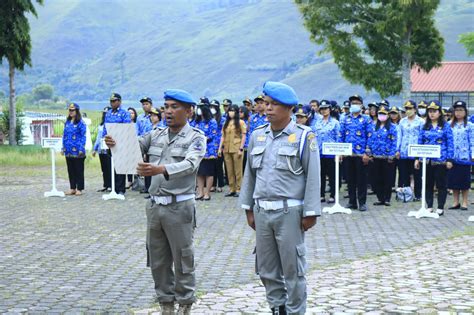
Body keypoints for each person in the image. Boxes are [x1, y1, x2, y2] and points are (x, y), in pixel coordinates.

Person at [106, 89, 205, 315]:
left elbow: (191, 164)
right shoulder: (156, 134)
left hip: (180, 207)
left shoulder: (196, 137)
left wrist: (161, 169)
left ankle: (185, 304)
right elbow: (134, 147)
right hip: (154, 206)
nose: (168, 111)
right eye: (166, 106)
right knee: (158, 260)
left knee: (182, 258)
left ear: (189, 111)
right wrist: (115, 142)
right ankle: (166, 304)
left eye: (174, 107)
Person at [240, 81, 320, 314]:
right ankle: (278, 308)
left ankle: (295, 311)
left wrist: (311, 212)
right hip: (262, 211)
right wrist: (248, 208)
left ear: (289, 109)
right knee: (266, 269)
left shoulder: (304, 136)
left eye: (274, 104)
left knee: (293, 269)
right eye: (266, 103)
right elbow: (250, 175)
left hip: (290, 212)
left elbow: (313, 176)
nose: (268, 108)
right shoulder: (257, 135)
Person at [415, 100, 454, 216]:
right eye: (430, 111)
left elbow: (450, 143)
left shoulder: (446, 126)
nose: (432, 114)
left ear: (440, 112)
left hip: (441, 161)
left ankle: (440, 207)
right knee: (428, 184)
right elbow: (419, 142)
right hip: (426, 161)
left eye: (434, 111)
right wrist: (417, 158)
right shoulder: (424, 126)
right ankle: (429, 206)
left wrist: (449, 159)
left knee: (441, 184)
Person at [338, 94, 371, 211]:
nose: (355, 105)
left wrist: (367, 153)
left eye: (357, 103)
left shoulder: (366, 119)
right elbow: (340, 135)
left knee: (361, 179)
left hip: (361, 154)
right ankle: (352, 201)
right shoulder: (345, 118)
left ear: (361, 105)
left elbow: (369, 136)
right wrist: (340, 152)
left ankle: (362, 202)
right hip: (348, 154)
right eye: (353, 103)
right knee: (350, 179)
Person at [367, 105, 398, 206]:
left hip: (387, 158)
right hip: (375, 156)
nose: (382, 116)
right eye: (380, 114)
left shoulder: (392, 127)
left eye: (384, 114)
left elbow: (394, 142)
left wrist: (391, 155)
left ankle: (387, 198)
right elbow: (370, 140)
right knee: (377, 178)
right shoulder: (373, 126)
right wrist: (369, 153)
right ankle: (380, 198)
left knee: (387, 179)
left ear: (388, 115)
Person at [102, 93, 131, 195]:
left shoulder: (124, 113)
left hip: (120, 143)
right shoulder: (108, 113)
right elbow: (105, 127)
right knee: (111, 166)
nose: (112, 103)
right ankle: (113, 187)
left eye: (114, 101)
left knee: (120, 167)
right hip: (110, 143)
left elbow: (126, 127)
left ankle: (121, 189)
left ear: (119, 101)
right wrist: (104, 138)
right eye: (111, 101)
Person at [448, 101, 474, 210]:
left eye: (460, 110)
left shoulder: (470, 125)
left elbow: (472, 141)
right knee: (453, 180)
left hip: (465, 156)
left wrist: (473, 154)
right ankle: (455, 202)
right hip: (453, 156)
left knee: (464, 181)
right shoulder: (449, 124)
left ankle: (464, 202)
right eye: (456, 110)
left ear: (465, 111)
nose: (458, 113)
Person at [396, 100, 424, 201]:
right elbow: (399, 136)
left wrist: (420, 154)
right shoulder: (402, 121)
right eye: (406, 109)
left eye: (410, 108)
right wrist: (397, 149)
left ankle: (418, 195)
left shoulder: (421, 121)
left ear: (415, 109)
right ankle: (406, 195)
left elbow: (422, 137)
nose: (408, 110)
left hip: (416, 152)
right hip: (404, 151)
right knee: (404, 174)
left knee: (417, 175)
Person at [313, 100, 340, 204]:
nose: (324, 111)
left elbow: (338, 137)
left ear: (330, 110)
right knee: (321, 175)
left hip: (331, 152)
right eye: (322, 109)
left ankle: (333, 195)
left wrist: (338, 153)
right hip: (319, 152)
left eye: (326, 109)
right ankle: (321, 195)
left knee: (332, 175)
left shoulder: (335, 122)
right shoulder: (317, 123)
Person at [218, 104, 247, 197]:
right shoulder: (226, 123)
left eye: (233, 110)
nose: (231, 112)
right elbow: (223, 136)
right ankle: (232, 189)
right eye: (230, 110)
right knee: (229, 170)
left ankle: (239, 189)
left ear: (237, 112)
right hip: (226, 149)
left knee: (238, 170)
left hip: (236, 148)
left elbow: (244, 136)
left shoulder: (241, 122)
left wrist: (241, 148)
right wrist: (220, 148)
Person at [62, 103, 87, 196]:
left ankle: (79, 188)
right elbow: (64, 136)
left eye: (72, 110)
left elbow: (83, 137)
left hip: (78, 151)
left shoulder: (81, 123)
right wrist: (63, 147)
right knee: (71, 170)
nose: (71, 112)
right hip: (68, 150)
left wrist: (81, 148)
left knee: (78, 170)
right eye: (69, 110)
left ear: (77, 111)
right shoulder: (67, 122)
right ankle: (72, 188)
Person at [195, 104, 218, 201]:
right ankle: (200, 192)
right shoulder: (197, 122)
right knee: (199, 173)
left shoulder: (212, 121)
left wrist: (201, 139)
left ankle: (207, 193)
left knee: (208, 173)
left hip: (209, 151)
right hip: (198, 151)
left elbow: (212, 135)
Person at [92, 106, 112, 192]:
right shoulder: (101, 125)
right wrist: (95, 149)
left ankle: (111, 185)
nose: (105, 114)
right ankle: (106, 185)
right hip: (101, 149)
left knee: (109, 167)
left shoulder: (111, 124)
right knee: (104, 169)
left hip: (108, 148)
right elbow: (98, 138)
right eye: (104, 113)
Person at [210, 99, 226, 193]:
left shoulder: (222, 119)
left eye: (213, 107)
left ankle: (220, 184)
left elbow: (223, 133)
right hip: (211, 145)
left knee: (219, 166)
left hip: (220, 143)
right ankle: (213, 184)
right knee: (212, 165)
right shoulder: (210, 119)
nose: (212, 109)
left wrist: (221, 145)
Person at [240, 105, 251, 172]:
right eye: (239, 112)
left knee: (245, 164)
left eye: (241, 112)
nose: (240, 113)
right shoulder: (238, 121)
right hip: (239, 145)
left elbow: (248, 129)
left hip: (246, 145)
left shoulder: (247, 121)